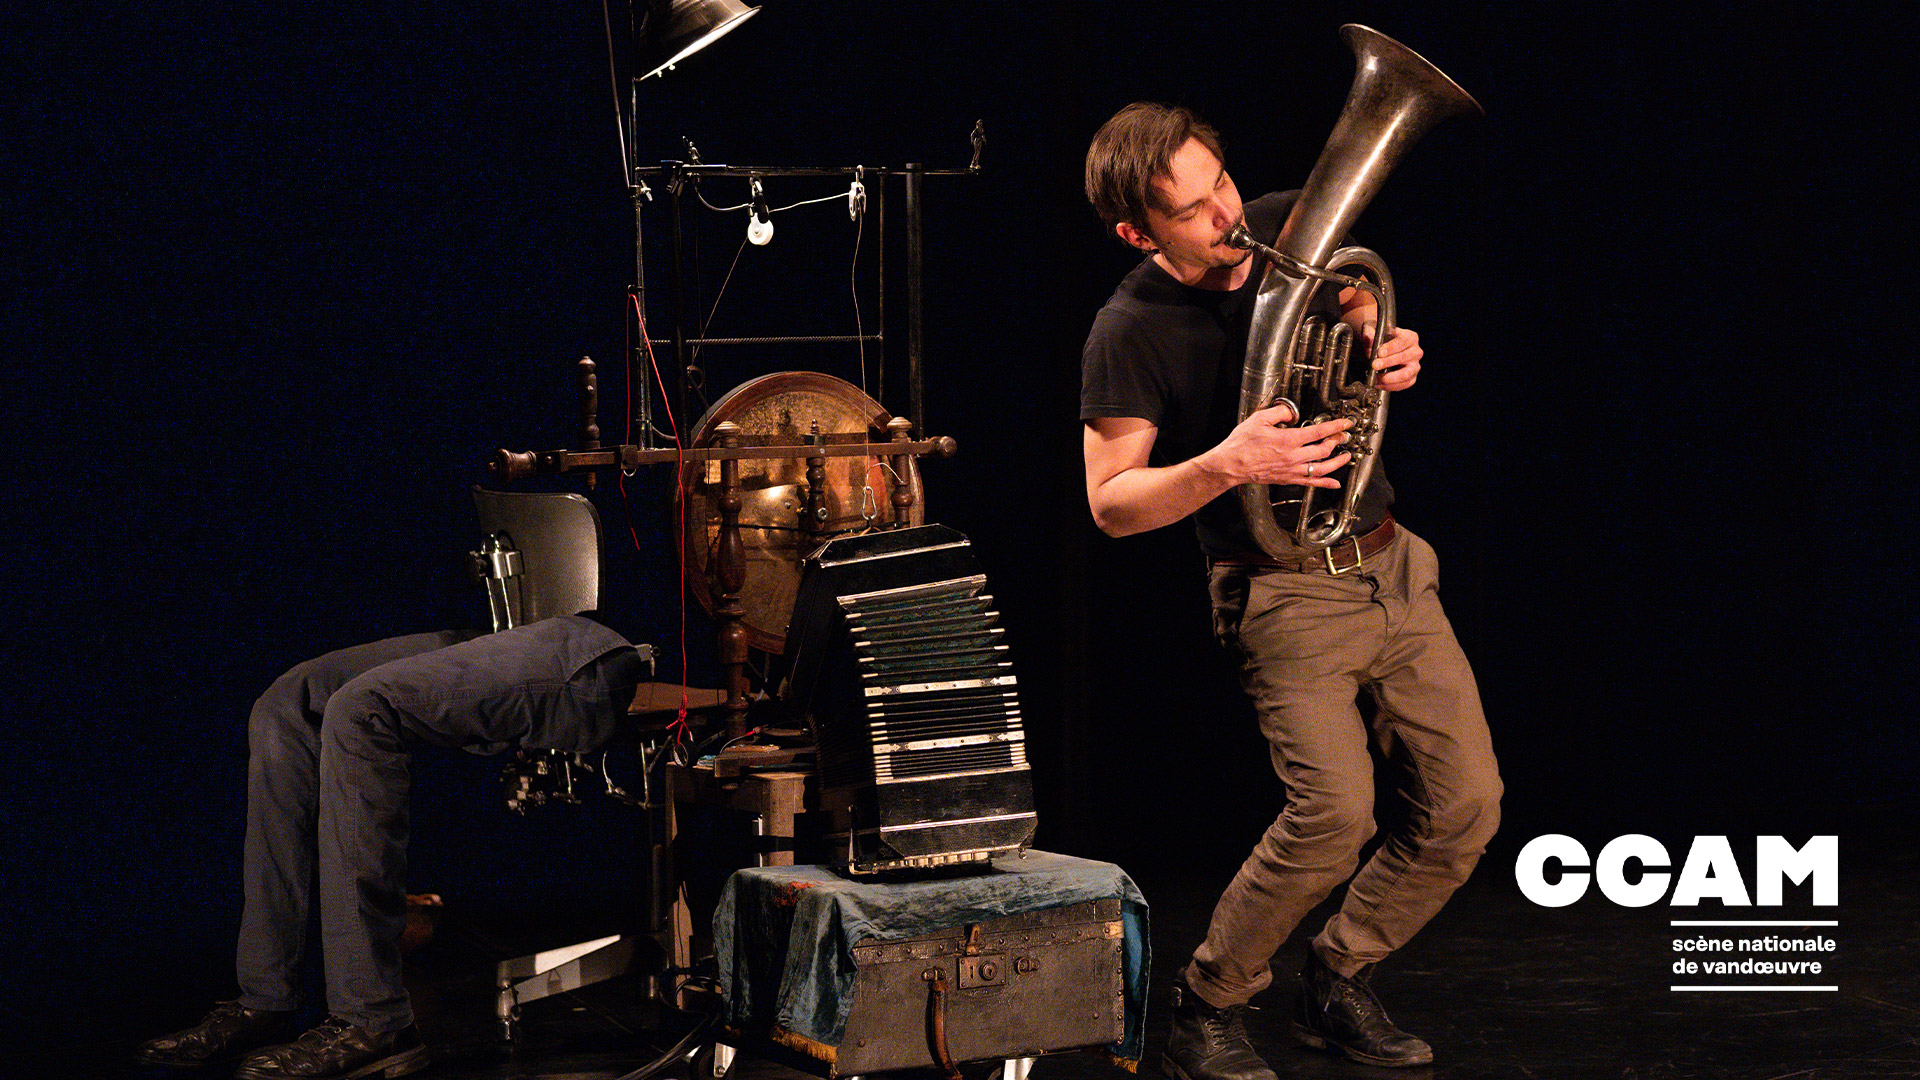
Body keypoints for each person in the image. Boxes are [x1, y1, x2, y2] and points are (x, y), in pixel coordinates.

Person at [1080, 102, 1501, 1076]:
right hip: (1283, 593)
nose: (1227, 215)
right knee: (1335, 819)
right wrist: (1227, 463)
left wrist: (1381, 340)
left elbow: (1359, 302)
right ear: (1139, 234)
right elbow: (1110, 505)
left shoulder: (1281, 223)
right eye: (1192, 210)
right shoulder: (1128, 328)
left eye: (1222, 183)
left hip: (1391, 565)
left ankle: (1339, 976)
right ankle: (1207, 1005)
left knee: (1467, 805)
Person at [136, 615, 650, 1079]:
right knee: (286, 703)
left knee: (361, 710)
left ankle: (374, 1020)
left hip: (587, 653)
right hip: (513, 635)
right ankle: (265, 1000)